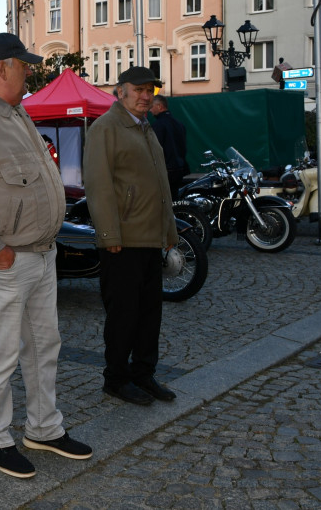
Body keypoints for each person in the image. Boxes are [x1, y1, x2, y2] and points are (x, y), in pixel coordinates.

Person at [0, 32, 92, 479]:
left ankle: (44, 428)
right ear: (2, 67)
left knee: (45, 346)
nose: (29, 71)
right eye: (23, 65)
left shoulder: (14, 112)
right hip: (3, 258)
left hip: (40, 254)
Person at [84, 66, 179, 408]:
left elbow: (160, 185)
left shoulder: (145, 128)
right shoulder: (105, 128)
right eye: (138, 90)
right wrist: (109, 234)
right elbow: (98, 184)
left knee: (149, 313)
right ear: (120, 91)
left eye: (150, 90)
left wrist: (169, 230)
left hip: (150, 238)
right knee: (124, 314)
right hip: (122, 240)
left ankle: (143, 373)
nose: (145, 95)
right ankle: (116, 378)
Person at [150, 94, 189, 197]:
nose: (150, 110)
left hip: (166, 170)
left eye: (151, 106)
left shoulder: (157, 125)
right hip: (180, 169)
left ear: (159, 106)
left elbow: (155, 149)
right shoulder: (179, 124)